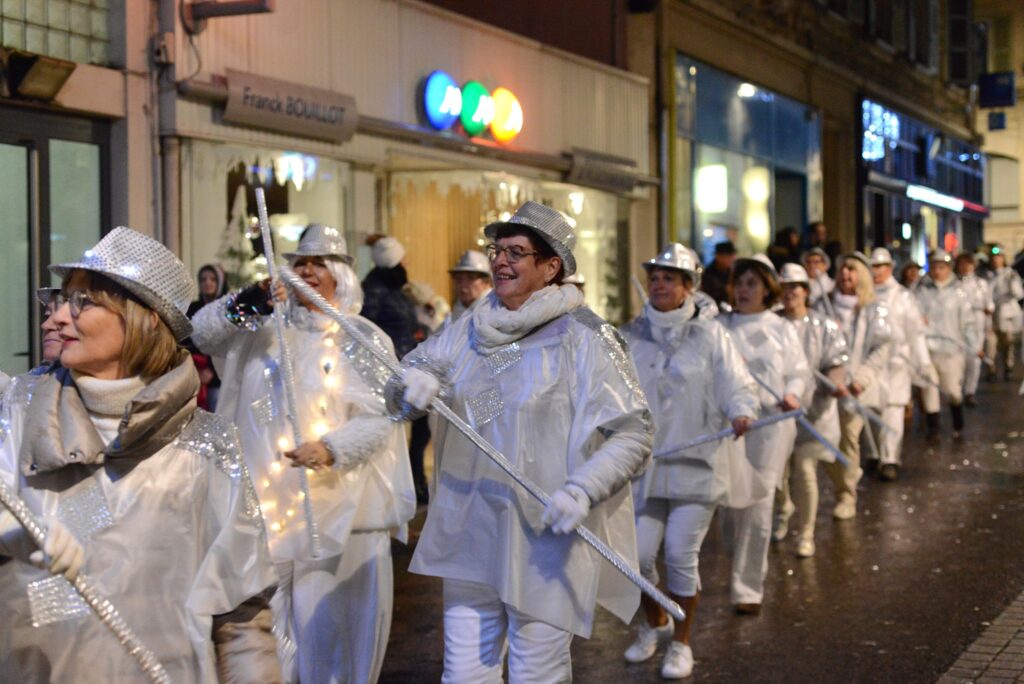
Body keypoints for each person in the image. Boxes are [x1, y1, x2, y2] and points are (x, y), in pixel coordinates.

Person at [0, 227, 280, 683]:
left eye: (82, 303)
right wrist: (11, 533)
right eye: (59, 299)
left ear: (147, 319)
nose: (54, 319)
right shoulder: (17, 412)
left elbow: (241, 615)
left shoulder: (207, 446)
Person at [393, 201, 653, 681]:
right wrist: (413, 382)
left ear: (551, 266)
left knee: (538, 673)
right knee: (464, 676)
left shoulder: (588, 337)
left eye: (516, 251)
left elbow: (633, 432)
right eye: (496, 249)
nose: (499, 261)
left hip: (546, 536)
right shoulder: (472, 325)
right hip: (471, 529)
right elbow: (427, 378)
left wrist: (584, 488)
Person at [192, 224, 416, 684]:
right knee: (268, 635)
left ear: (340, 276)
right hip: (268, 511)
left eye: (319, 265)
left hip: (342, 514)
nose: (307, 272)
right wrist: (247, 301)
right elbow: (201, 335)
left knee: (329, 636)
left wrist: (333, 449)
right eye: (300, 264)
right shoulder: (261, 331)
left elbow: (384, 416)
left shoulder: (364, 338)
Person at [619, 243, 758, 679]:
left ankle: (682, 642)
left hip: (698, 464)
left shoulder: (713, 334)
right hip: (646, 466)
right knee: (637, 557)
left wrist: (741, 410)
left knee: (680, 555)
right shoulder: (631, 336)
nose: (659, 285)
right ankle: (654, 622)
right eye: (654, 277)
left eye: (669, 278)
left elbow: (737, 382)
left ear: (688, 287)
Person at [719, 254, 808, 614]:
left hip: (771, 427)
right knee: (729, 505)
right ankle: (736, 561)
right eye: (739, 283)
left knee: (758, 502)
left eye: (752, 283)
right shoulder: (719, 327)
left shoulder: (781, 328)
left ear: (767, 289)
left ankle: (747, 587)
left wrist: (793, 393)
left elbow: (799, 370)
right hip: (730, 427)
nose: (744, 290)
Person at [774, 263, 848, 557]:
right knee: (777, 475)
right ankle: (783, 510)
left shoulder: (825, 326)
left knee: (805, 471)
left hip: (814, 415)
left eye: (795, 287)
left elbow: (836, 361)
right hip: (778, 414)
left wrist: (835, 382)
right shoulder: (771, 325)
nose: (789, 293)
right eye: (784, 287)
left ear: (806, 291)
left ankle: (806, 533)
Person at [818, 252, 890, 517]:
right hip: (826, 389)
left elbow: (881, 348)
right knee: (823, 444)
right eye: (842, 269)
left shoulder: (874, 308)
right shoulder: (822, 307)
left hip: (855, 390)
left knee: (848, 441)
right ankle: (847, 476)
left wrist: (861, 380)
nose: (845, 274)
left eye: (852, 269)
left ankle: (846, 496)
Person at [869, 248, 934, 481]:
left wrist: (923, 361)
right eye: (873, 267)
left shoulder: (904, 297)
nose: (875, 272)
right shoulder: (866, 296)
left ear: (890, 268)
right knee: (872, 408)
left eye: (880, 267)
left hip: (897, 362)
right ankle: (875, 453)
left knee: (894, 410)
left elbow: (915, 333)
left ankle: (890, 458)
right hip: (872, 365)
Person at [915, 249, 978, 442]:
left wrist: (973, 345)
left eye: (941, 267)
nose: (937, 271)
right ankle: (933, 428)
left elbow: (968, 321)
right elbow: (913, 316)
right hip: (927, 349)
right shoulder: (921, 290)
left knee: (952, 389)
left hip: (951, 350)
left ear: (949, 268)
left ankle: (957, 422)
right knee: (929, 388)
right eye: (934, 266)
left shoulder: (959, 291)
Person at [361, 236, 419, 360]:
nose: (407, 262)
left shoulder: (394, 287)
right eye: (403, 259)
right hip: (390, 365)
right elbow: (367, 330)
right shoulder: (374, 292)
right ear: (395, 263)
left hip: (403, 361)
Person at [187, 264, 229, 411]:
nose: (207, 283)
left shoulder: (225, 309)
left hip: (218, 377)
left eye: (212, 279)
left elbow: (228, 343)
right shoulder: (192, 308)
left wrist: (211, 370)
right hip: (193, 373)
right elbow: (186, 341)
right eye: (203, 279)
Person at [955, 253, 993, 405]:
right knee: (959, 360)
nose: (965, 267)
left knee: (975, 359)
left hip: (977, 324)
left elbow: (989, 304)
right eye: (962, 264)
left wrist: (989, 325)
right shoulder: (954, 284)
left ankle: (970, 391)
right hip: (958, 325)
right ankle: (958, 389)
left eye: (968, 263)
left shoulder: (981, 284)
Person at [988, 250, 1024, 379]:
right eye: (994, 258)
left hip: (1007, 315)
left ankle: (1008, 366)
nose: (996, 260)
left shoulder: (1011, 274)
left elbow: (1019, 294)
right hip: (990, 316)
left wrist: (1012, 283)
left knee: (1007, 343)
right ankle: (991, 369)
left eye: (999, 257)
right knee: (990, 344)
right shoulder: (987, 275)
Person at [447, 249, 492, 323]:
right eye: (458, 278)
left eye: (471, 278)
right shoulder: (456, 313)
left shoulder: (495, 313)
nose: (463, 284)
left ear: (486, 282)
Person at [700, 240, 737, 306]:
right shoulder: (708, 274)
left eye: (732, 256)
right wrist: (725, 290)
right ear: (718, 256)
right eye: (728, 256)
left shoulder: (733, 272)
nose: (732, 259)